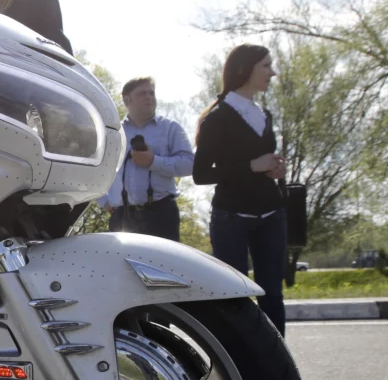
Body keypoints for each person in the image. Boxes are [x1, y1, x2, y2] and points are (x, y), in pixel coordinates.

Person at [193, 44, 288, 335]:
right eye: (266, 66)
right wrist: (251, 166)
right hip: (230, 219)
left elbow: (262, 164)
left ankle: (277, 373)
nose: (272, 72)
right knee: (234, 297)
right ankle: (240, 370)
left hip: (272, 215)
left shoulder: (265, 114)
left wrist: (275, 170)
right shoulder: (218, 117)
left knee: (272, 294)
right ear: (244, 69)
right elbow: (200, 175)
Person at [98, 77, 194, 241]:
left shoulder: (171, 128)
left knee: (164, 264)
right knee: (124, 266)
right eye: (142, 93)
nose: (149, 97)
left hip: (162, 214)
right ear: (127, 100)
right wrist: (103, 200)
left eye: (152, 93)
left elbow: (190, 165)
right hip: (123, 216)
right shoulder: (113, 133)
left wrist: (153, 161)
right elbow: (95, 167)